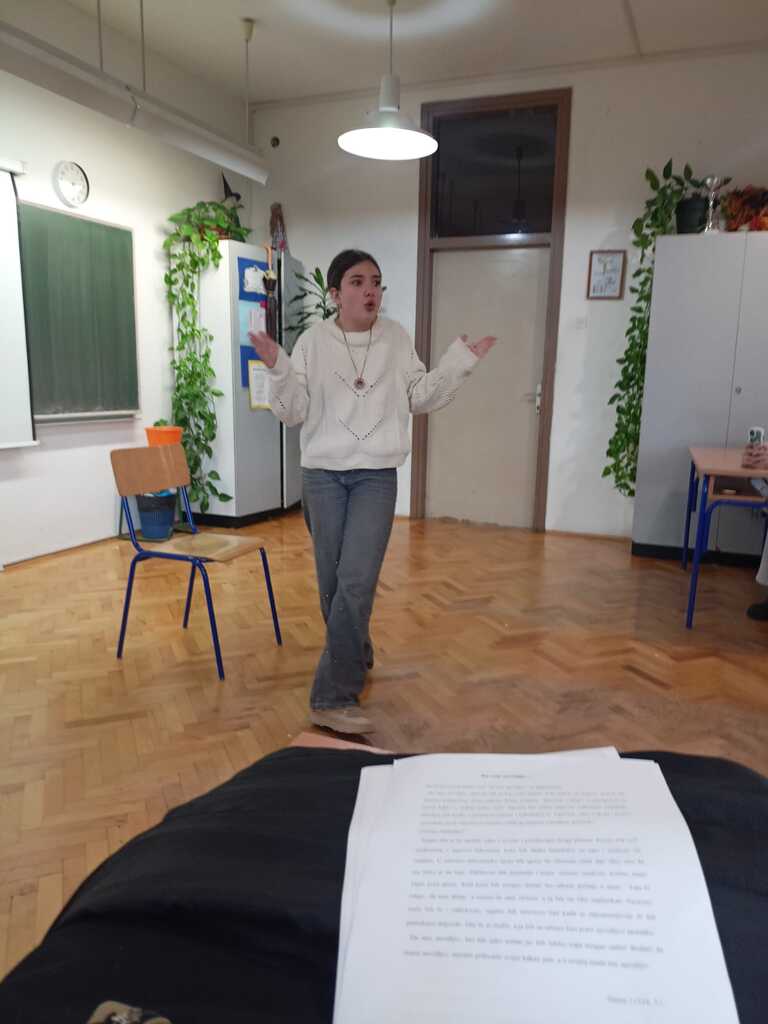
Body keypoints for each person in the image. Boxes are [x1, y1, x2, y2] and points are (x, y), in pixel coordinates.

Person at [249, 249, 496, 734]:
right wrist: (278, 367)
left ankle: (331, 697)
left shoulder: (396, 338)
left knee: (357, 580)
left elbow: (419, 395)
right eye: (358, 282)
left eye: (376, 282)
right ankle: (356, 650)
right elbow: (293, 411)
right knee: (333, 585)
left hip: (376, 477)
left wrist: (458, 364)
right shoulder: (313, 342)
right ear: (335, 294)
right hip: (322, 476)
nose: (370, 291)